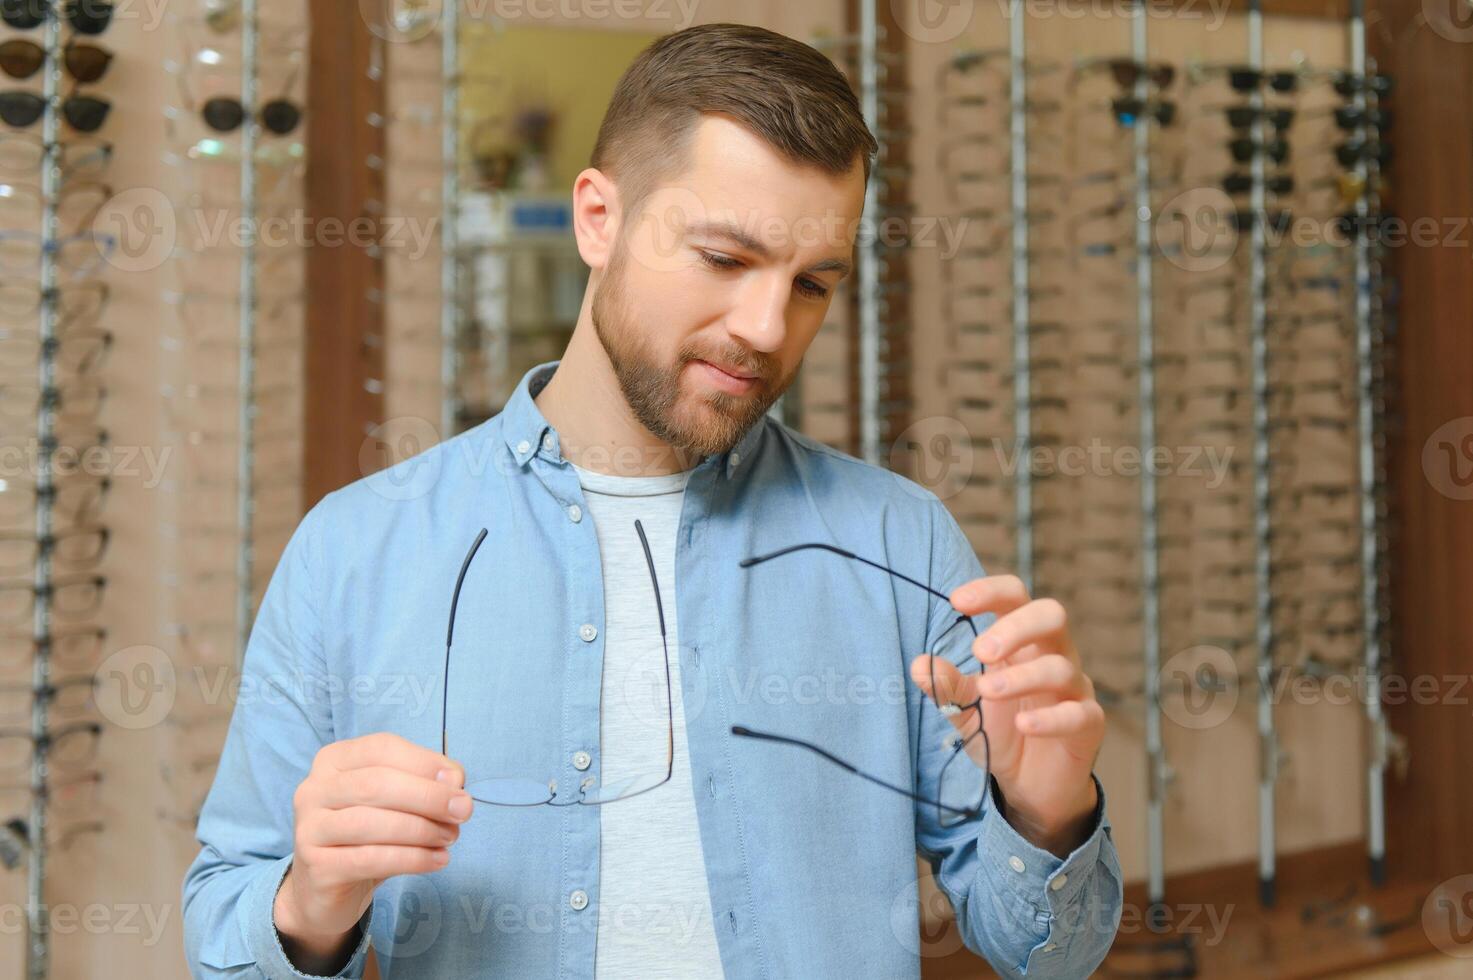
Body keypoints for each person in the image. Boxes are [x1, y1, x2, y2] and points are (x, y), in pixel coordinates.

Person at [183, 22, 1122, 979]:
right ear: (598, 218)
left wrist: (1047, 809)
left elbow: (1048, 955)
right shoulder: (355, 549)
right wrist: (312, 902)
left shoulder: (901, 542)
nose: (765, 329)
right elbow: (225, 924)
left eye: (810, 284)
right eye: (723, 259)